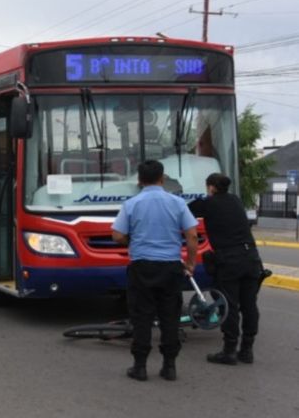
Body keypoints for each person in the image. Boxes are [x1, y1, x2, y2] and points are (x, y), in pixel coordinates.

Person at [112, 160, 199, 382]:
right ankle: (169, 366)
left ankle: (139, 367)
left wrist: (133, 242)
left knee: (142, 316)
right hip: (170, 267)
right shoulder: (178, 203)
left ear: (139, 180)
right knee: (170, 316)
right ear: (162, 178)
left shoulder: (131, 204)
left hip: (141, 267)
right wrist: (190, 263)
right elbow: (192, 237)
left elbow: (117, 236)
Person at [188, 173, 262, 365]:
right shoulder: (236, 201)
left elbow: (185, 211)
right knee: (249, 305)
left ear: (211, 187)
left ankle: (229, 351)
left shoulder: (208, 203)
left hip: (230, 261)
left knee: (229, 305)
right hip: (252, 259)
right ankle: (247, 350)